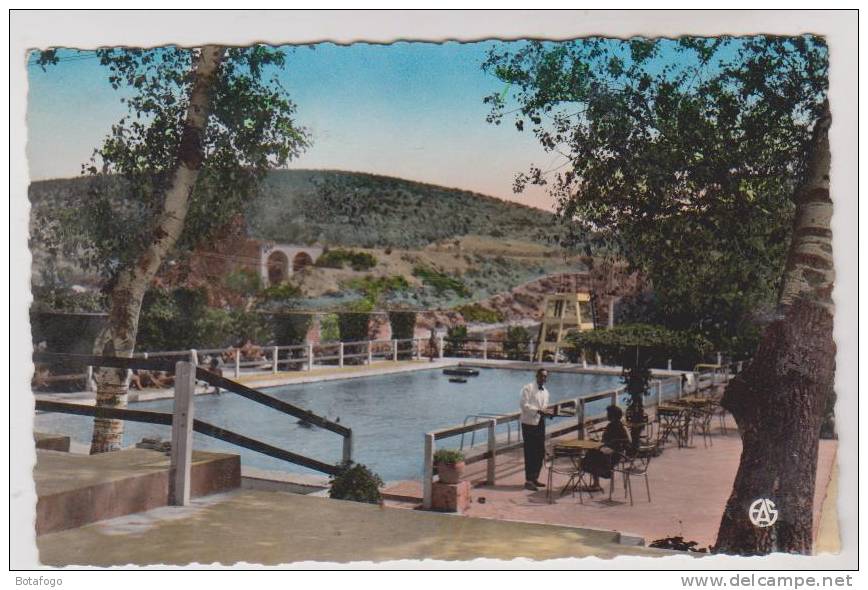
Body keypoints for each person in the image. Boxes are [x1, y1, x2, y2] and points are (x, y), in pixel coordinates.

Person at [582, 405, 632, 490]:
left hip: (613, 455)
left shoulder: (613, 426)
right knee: (593, 453)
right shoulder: (620, 425)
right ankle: (596, 483)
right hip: (618, 454)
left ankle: (597, 483)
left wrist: (600, 444)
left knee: (591, 454)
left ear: (612, 415)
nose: (606, 415)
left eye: (608, 414)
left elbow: (608, 441)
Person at [520, 368, 553, 491]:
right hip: (528, 423)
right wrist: (538, 411)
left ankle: (535, 478)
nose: (543, 378)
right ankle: (528, 480)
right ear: (537, 376)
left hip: (540, 422)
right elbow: (524, 405)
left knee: (539, 451)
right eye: (542, 376)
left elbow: (544, 408)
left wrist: (548, 414)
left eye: (545, 376)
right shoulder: (528, 388)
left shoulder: (546, 392)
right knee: (530, 451)